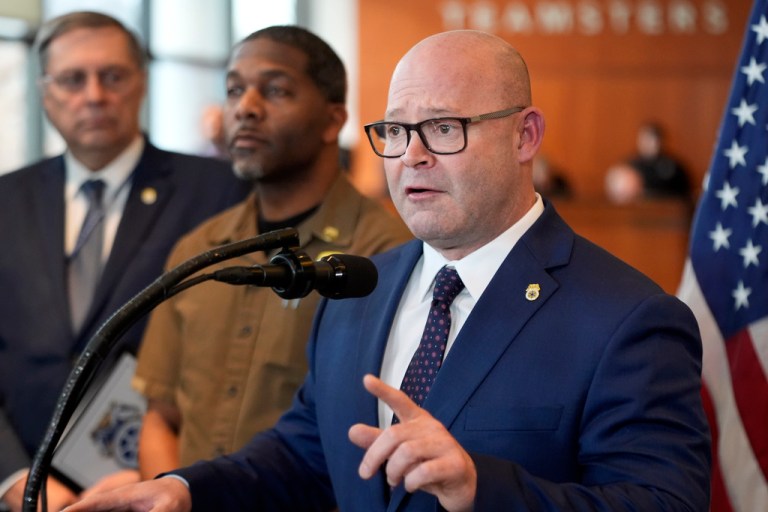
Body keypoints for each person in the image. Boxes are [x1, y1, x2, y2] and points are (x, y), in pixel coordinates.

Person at [65, 29, 710, 512]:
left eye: (444, 128)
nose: (412, 156)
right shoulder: (359, 288)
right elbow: (305, 451)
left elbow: (664, 503)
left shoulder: (628, 318)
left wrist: (480, 488)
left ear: (525, 136)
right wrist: (182, 488)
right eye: (396, 131)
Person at [132, 25, 411, 480]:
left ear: (333, 119)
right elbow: (161, 416)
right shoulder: (199, 249)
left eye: (276, 90)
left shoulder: (384, 256)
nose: (246, 108)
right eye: (234, 90)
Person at [0, 11, 249, 512]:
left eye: (112, 76)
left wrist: (152, 470)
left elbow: (231, 351)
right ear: (46, 92)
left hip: (159, 484)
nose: (94, 95)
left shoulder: (220, 193)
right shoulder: (6, 200)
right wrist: (15, 476)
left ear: (141, 82)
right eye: (73, 79)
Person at [605, 121, 692, 204]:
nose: (650, 143)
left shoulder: (674, 167)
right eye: (646, 138)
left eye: (653, 139)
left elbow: (684, 194)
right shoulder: (630, 166)